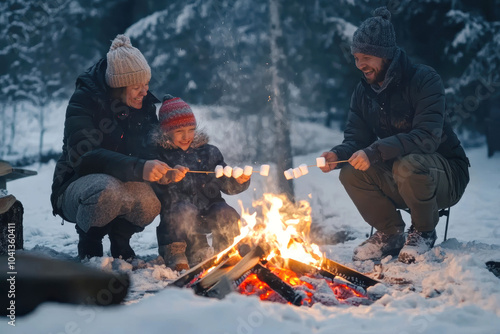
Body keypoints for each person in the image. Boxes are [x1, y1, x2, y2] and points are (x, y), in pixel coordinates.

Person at [320, 7, 470, 264]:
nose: (360, 65)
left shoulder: (424, 80)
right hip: (401, 177)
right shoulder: (363, 91)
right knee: (350, 172)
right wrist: (338, 154)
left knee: (407, 164)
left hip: (445, 176)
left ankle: (423, 233)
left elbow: (427, 137)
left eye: (366, 57)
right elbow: (356, 138)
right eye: (356, 57)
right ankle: (390, 234)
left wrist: (375, 152)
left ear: (385, 55)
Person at [50, 34, 174, 260]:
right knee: (107, 189)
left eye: (146, 84)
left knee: (150, 201)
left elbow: (150, 149)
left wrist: (166, 168)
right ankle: (90, 245)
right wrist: (139, 167)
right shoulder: (84, 100)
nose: (145, 92)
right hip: (75, 185)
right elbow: (83, 156)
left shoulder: (142, 105)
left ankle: (120, 242)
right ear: (118, 86)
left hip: (121, 184)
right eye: (137, 86)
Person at [150, 95, 251, 271]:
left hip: (209, 210)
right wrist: (168, 177)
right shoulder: (161, 156)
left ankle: (226, 249)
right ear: (166, 132)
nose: (186, 136)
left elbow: (225, 183)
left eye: (190, 130)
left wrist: (238, 181)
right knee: (182, 210)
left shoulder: (209, 153)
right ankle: (175, 252)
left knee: (225, 211)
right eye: (179, 131)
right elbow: (155, 187)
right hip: (178, 219)